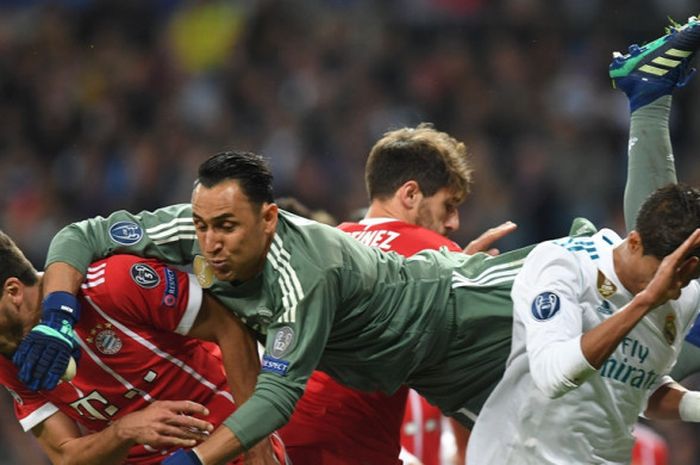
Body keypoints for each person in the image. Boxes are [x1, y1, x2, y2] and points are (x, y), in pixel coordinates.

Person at [14, 15, 700, 465]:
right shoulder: (208, 230)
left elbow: (275, 398)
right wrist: (58, 312)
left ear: (271, 220)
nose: (212, 242)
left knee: (655, 288)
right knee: (642, 332)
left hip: (456, 319)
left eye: (227, 227)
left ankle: (649, 102)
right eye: (204, 226)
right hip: (437, 367)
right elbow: (85, 232)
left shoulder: (307, 269)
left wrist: (193, 457)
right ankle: (648, 102)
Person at [466, 16, 700, 464]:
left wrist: (693, 405)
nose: (675, 287)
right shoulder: (563, 265)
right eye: (665, 274)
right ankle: (649, 97)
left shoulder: (680, 291)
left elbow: (639, 388)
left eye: (686, 277)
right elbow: (554, 375)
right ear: (632, 243)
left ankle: (649, 96)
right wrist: (645, 301)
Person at [277, 124, 502, 465]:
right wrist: (469, 277)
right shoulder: (435, 254)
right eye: (448, 206)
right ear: (410, 195)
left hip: (278, 437)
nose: (454, 222)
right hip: (346, 448)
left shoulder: (327, 241)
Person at [0, 231, 285, 465]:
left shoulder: (111, 283)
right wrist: (124, 431)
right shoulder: (8, 362)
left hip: (227, 442)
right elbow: (65, 455)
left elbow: (231, 328)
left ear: (12, 291)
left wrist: (259, 451)